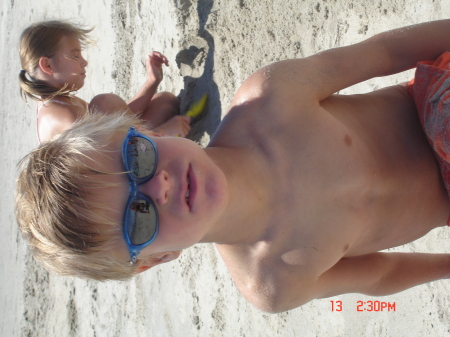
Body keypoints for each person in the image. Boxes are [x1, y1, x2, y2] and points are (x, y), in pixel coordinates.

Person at [15, 19, 450, 313]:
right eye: (139, 220)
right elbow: (380, 276)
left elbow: (386, 51)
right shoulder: (272, 281)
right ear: (155, 259)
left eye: (136, 158)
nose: (158, 189)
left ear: (143, 130)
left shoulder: (270, 101)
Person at [19, 20, 191, 142]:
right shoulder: (64, 117)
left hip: (122, 147)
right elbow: (110, 160)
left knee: (164, 102)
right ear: (47, 65)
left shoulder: (60, 101)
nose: (84, 62)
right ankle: (158, 141)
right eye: (75, 55)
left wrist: (152, 81)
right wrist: (162, 132)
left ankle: (156, 138)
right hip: (115, 181)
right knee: (105, 102)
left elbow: (119, 119)